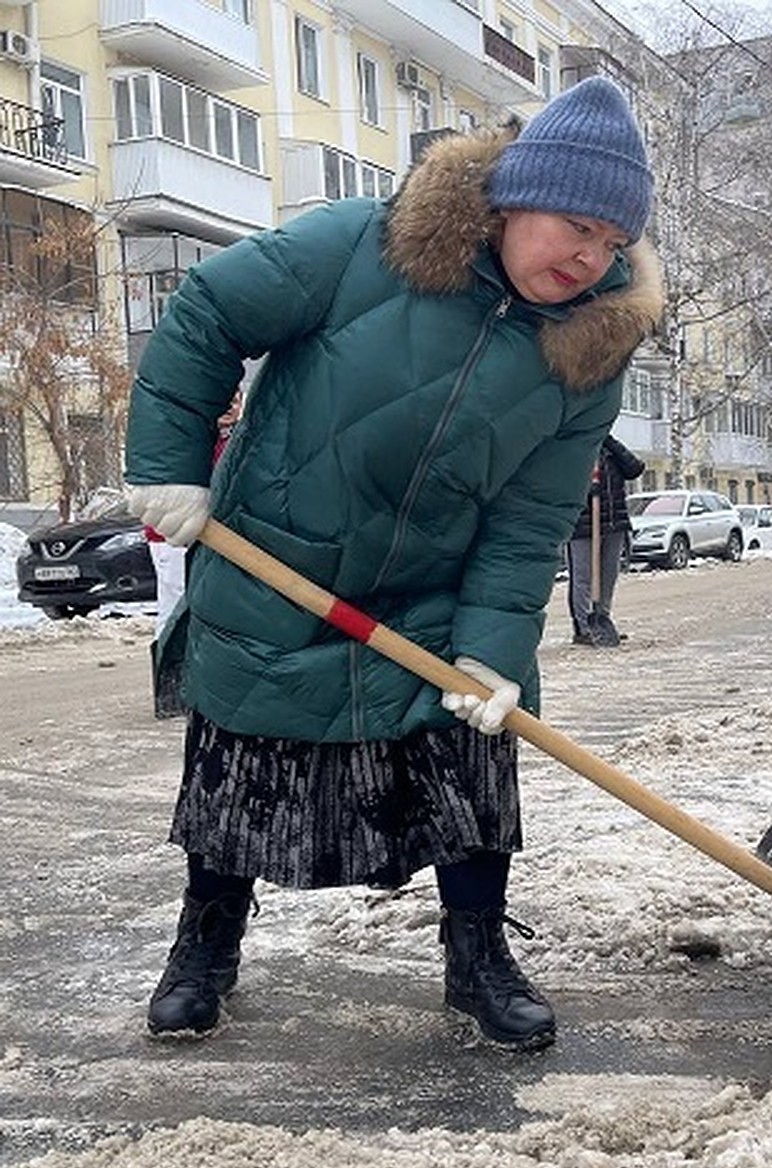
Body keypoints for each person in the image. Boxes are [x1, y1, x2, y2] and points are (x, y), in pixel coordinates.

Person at [124, 76, 662, 1050]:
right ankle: (204, 945)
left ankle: (479, 958)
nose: (590, 258)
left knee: (471, 761)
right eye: (576, 226)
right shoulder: (364, 245)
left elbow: (531, 515)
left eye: (613, 244)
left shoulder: (591, 345)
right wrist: (167, 471)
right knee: (236, 770)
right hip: (273, 564)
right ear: (513, 196)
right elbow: (205, 312)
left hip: (430, 597)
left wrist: (495, 648)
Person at [145, 392, 242, 718]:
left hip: (217, 537)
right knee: (175, 606)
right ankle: (170, 691)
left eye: (235, 399)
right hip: (173, 533)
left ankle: (202, 686)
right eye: (224, 399)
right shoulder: (193, 434)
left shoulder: (240, 438)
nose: (229, 406)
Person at [566, 434, 644, 646]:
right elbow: (558, 482)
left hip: (613, 522)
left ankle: (602, 619)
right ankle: (583, 627)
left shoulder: (611, 450)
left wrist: (611, 443)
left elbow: (635, 469)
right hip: (583, 524)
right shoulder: (572, 447)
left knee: (608, 574)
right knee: (583, 577)